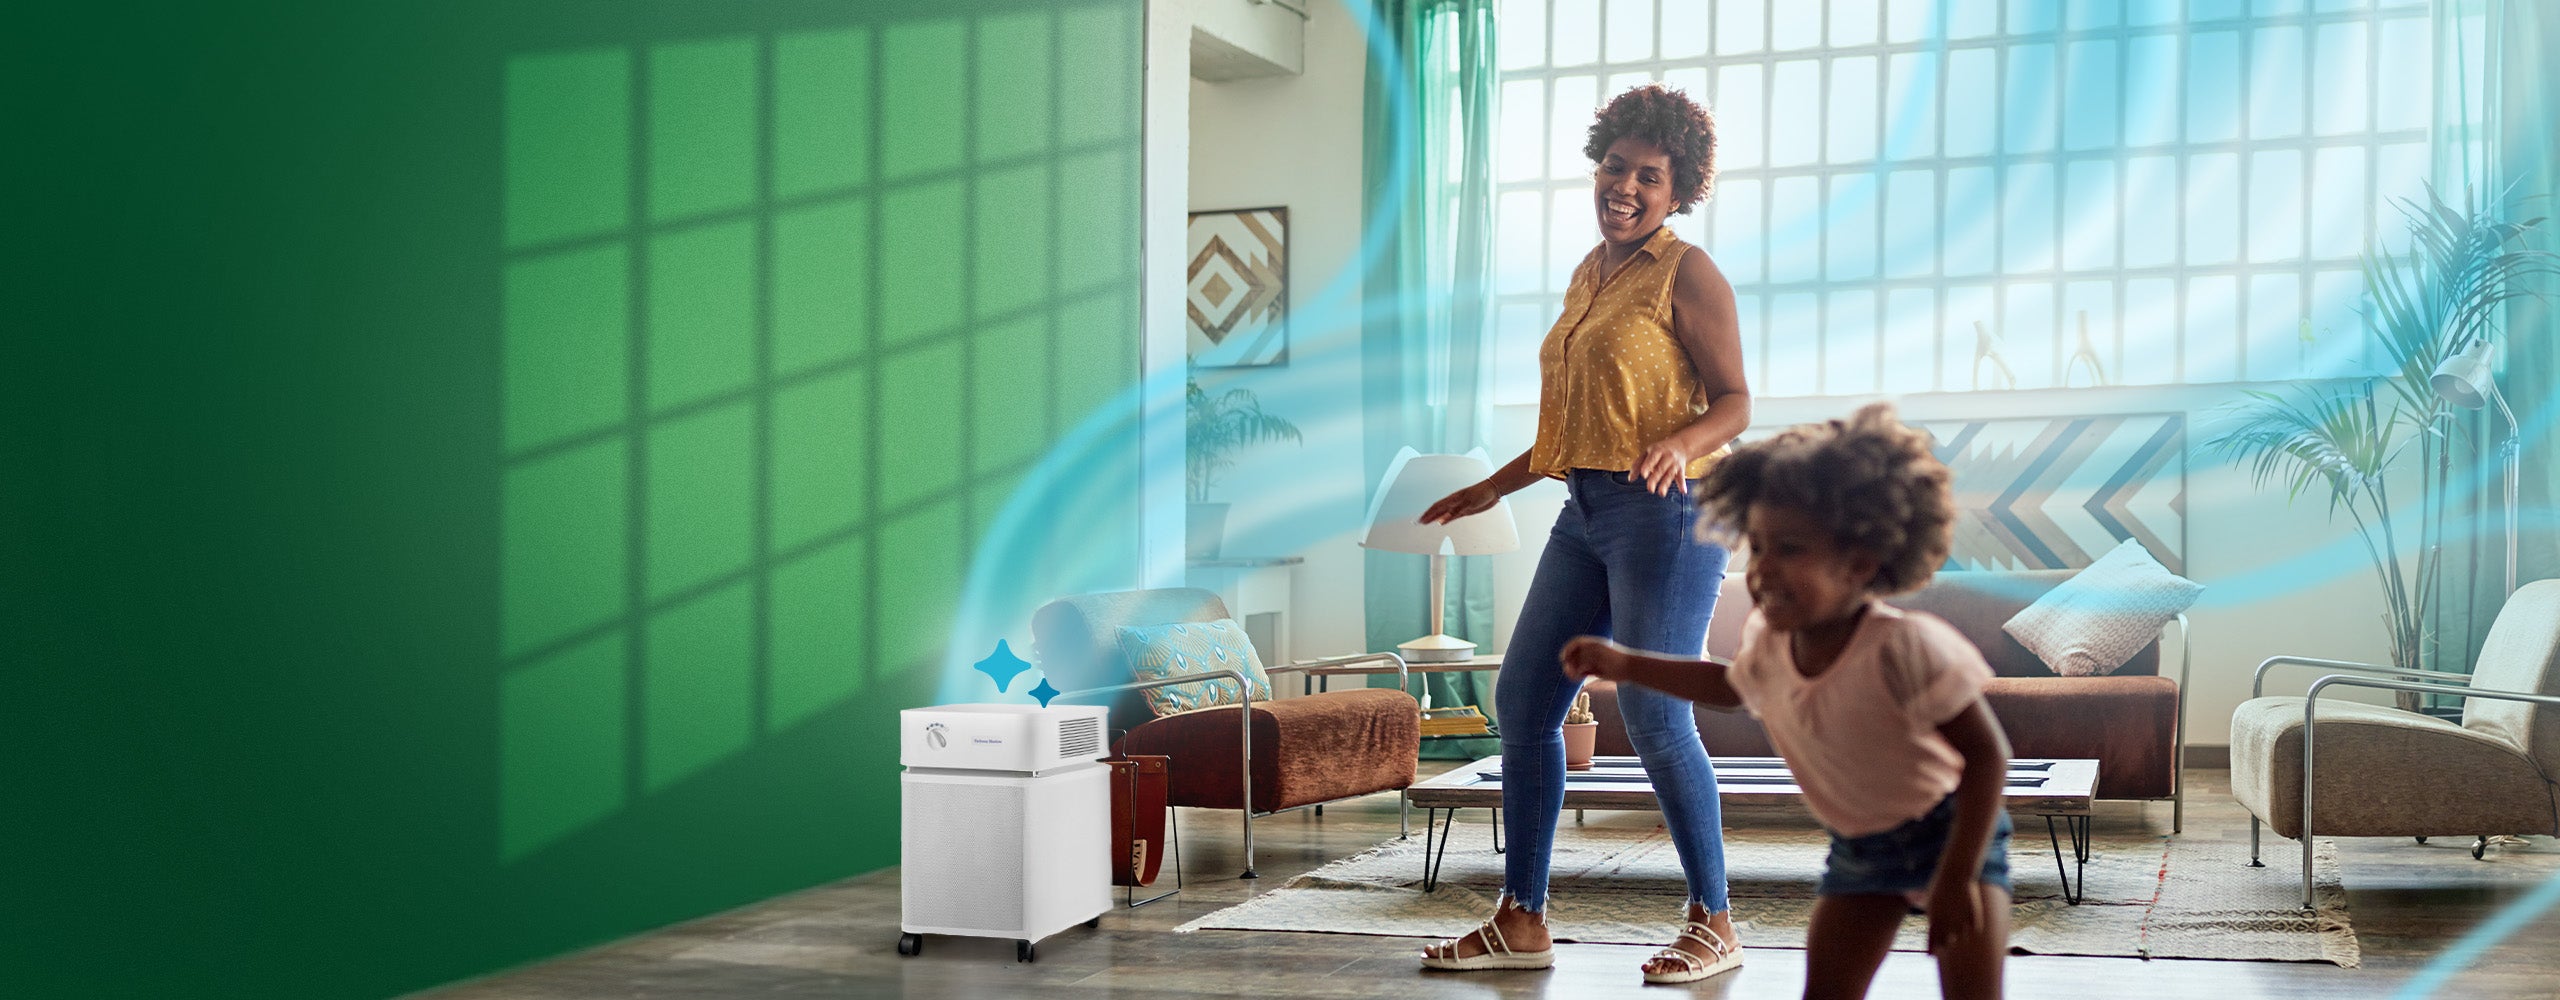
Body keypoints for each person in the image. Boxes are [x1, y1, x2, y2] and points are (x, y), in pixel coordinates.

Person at [1416, 82, 1752, 985]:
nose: (1627, 187)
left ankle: (1714, 920)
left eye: (1650, 175)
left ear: (1677, 188)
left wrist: (1681, 444)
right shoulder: (1588, 275)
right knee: (1524, 703)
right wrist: (1493, 483)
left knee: (1650, 708)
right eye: (1616, 168)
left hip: (1672, 516)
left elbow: (1736, 403)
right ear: (1596, 168)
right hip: (1587, 511)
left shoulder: (1689, 272)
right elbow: (1579, 425)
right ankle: (1521, 918)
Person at [1562, 402, 2015, 1000]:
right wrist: (1625, 663)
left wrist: (1957, 876)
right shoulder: (1771, 641)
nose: (1763, 569)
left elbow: (1988, 758)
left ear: (1859, 563)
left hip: (1954, 837)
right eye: (1759, 547)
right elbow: (1730, 687)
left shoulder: (1905, 647)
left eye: (1791, 549)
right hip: (1862, 848)